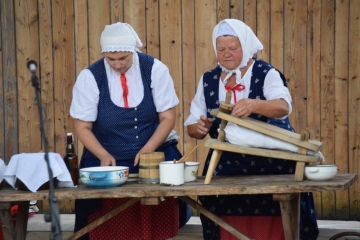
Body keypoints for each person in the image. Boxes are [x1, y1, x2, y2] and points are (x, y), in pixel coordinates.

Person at [184, 19, 319, 240]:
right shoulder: (208, 80)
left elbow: (283, 106)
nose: (227, 53)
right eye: (221, 49)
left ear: (245, 47)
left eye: (233, 48)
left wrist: (255, 104)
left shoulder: (265, 72)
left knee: (278, 215)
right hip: (226, 169)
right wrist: (200, 127)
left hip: (273, 165)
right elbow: (192, 127)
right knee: (222, 214)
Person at [70, 22, 189, 240]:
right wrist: (102, 154)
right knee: (100, 221)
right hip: (107, 157)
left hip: (153, 155)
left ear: (133, 50)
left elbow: (168, 117)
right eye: (111, 59)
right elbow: (82, 126)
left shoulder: (154, 69)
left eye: (123, 58)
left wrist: (149, 150)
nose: (117, 64)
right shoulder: (90, 77)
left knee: (157, 211)